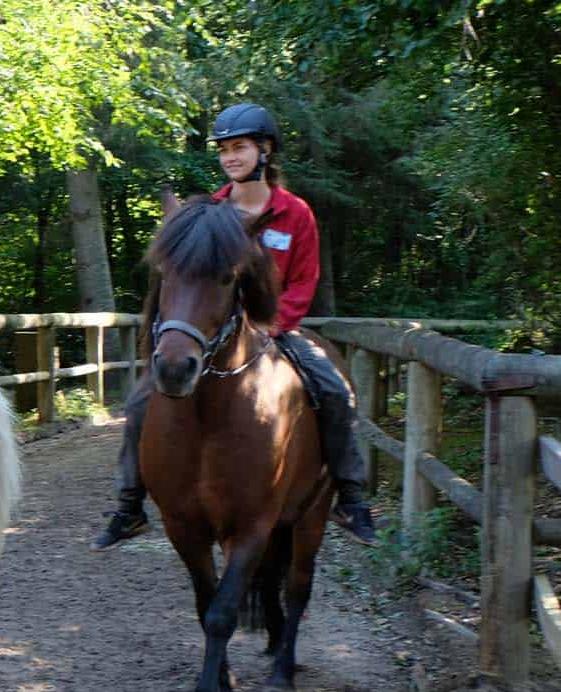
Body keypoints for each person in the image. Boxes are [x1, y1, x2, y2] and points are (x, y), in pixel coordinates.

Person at [92, 101, 378, 550]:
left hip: (278, 331)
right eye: (224, 150)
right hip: (216, 333)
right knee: (142, 400)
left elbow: (305, 279)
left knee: (334, 390)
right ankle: (129, 506)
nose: (230, 158)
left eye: (239, 148)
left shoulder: (295, 213)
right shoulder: (208, 212)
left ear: (264, 150)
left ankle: (351, 497)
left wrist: (275, 325)